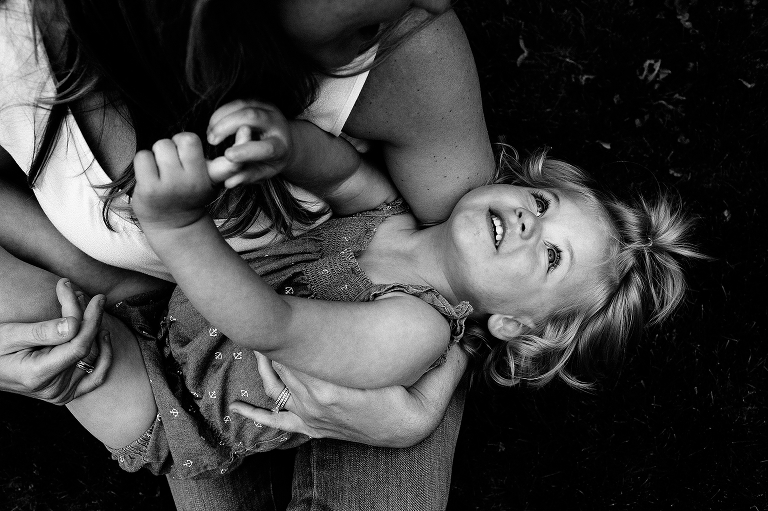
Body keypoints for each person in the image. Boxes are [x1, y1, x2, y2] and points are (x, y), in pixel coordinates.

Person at [35, 97, 699, 479]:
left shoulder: (414, 331)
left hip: (175, 410)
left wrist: (180, 223)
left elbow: (275, 326)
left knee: (63, 335)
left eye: (551, 255)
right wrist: (284, 142)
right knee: (61, 258)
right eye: (544, 202)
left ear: (513, 326)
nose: (530, 220)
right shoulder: (392, 218)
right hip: (181, 310)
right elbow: (344, 172)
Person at [0, 0, 494, 509]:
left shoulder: (409, 40)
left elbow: (474, 271)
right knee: (85, 351)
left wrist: (426, 397)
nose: (437, 2)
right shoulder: (15, 48)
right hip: (185, 383)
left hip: (353, 336)